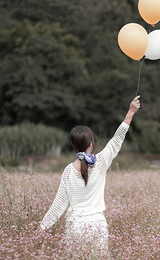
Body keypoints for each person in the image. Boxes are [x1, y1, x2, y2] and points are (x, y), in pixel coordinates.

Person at [40, 95, 141, 257]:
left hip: (75, 227)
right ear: (91, 144)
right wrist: (130, 112)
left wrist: (41, 228)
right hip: (97, 226)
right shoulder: (101, 162)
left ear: (73, 146)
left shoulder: (68, 171)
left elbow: (58, 205)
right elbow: (117, 139)